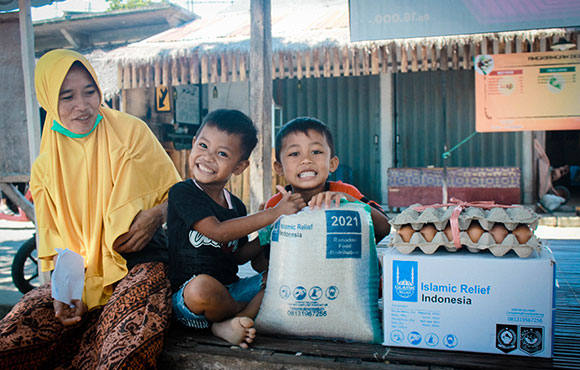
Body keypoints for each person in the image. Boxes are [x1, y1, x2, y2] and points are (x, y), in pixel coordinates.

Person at [0, 49, 182, 369]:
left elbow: (178, 195)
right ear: (47, 101)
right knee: (13, 335)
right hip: (82, 277)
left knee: (123, 351)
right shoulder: (44, 167)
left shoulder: (131, 133)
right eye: (67, 96)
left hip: (140, 261)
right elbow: (57, 243)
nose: (82, 106)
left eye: (89, 91)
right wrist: (64, 292)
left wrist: (156, 216)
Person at [167, 109, 305, 349]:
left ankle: (231, 324)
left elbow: (239, 256)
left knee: (275, 281)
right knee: (202, 286)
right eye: (203, 146)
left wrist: (271, 230)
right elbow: (218, 231)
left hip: (231, 290)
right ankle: (235, 318)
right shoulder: (183, 192)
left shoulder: (236, 206)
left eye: (222, 153)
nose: (208, 157)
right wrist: (271, 214)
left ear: (240, 166)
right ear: (193, 144)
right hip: (189, 300)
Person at [252, 116, 391, 272]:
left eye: (316, 151)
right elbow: (261, 265)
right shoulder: (277, 205)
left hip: (350, 281)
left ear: (332, 164)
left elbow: (385, 227)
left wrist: (350, 202)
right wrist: (266, 227)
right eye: (294, 154)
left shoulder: (345, 193)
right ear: (279, 168)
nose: (306, 160)